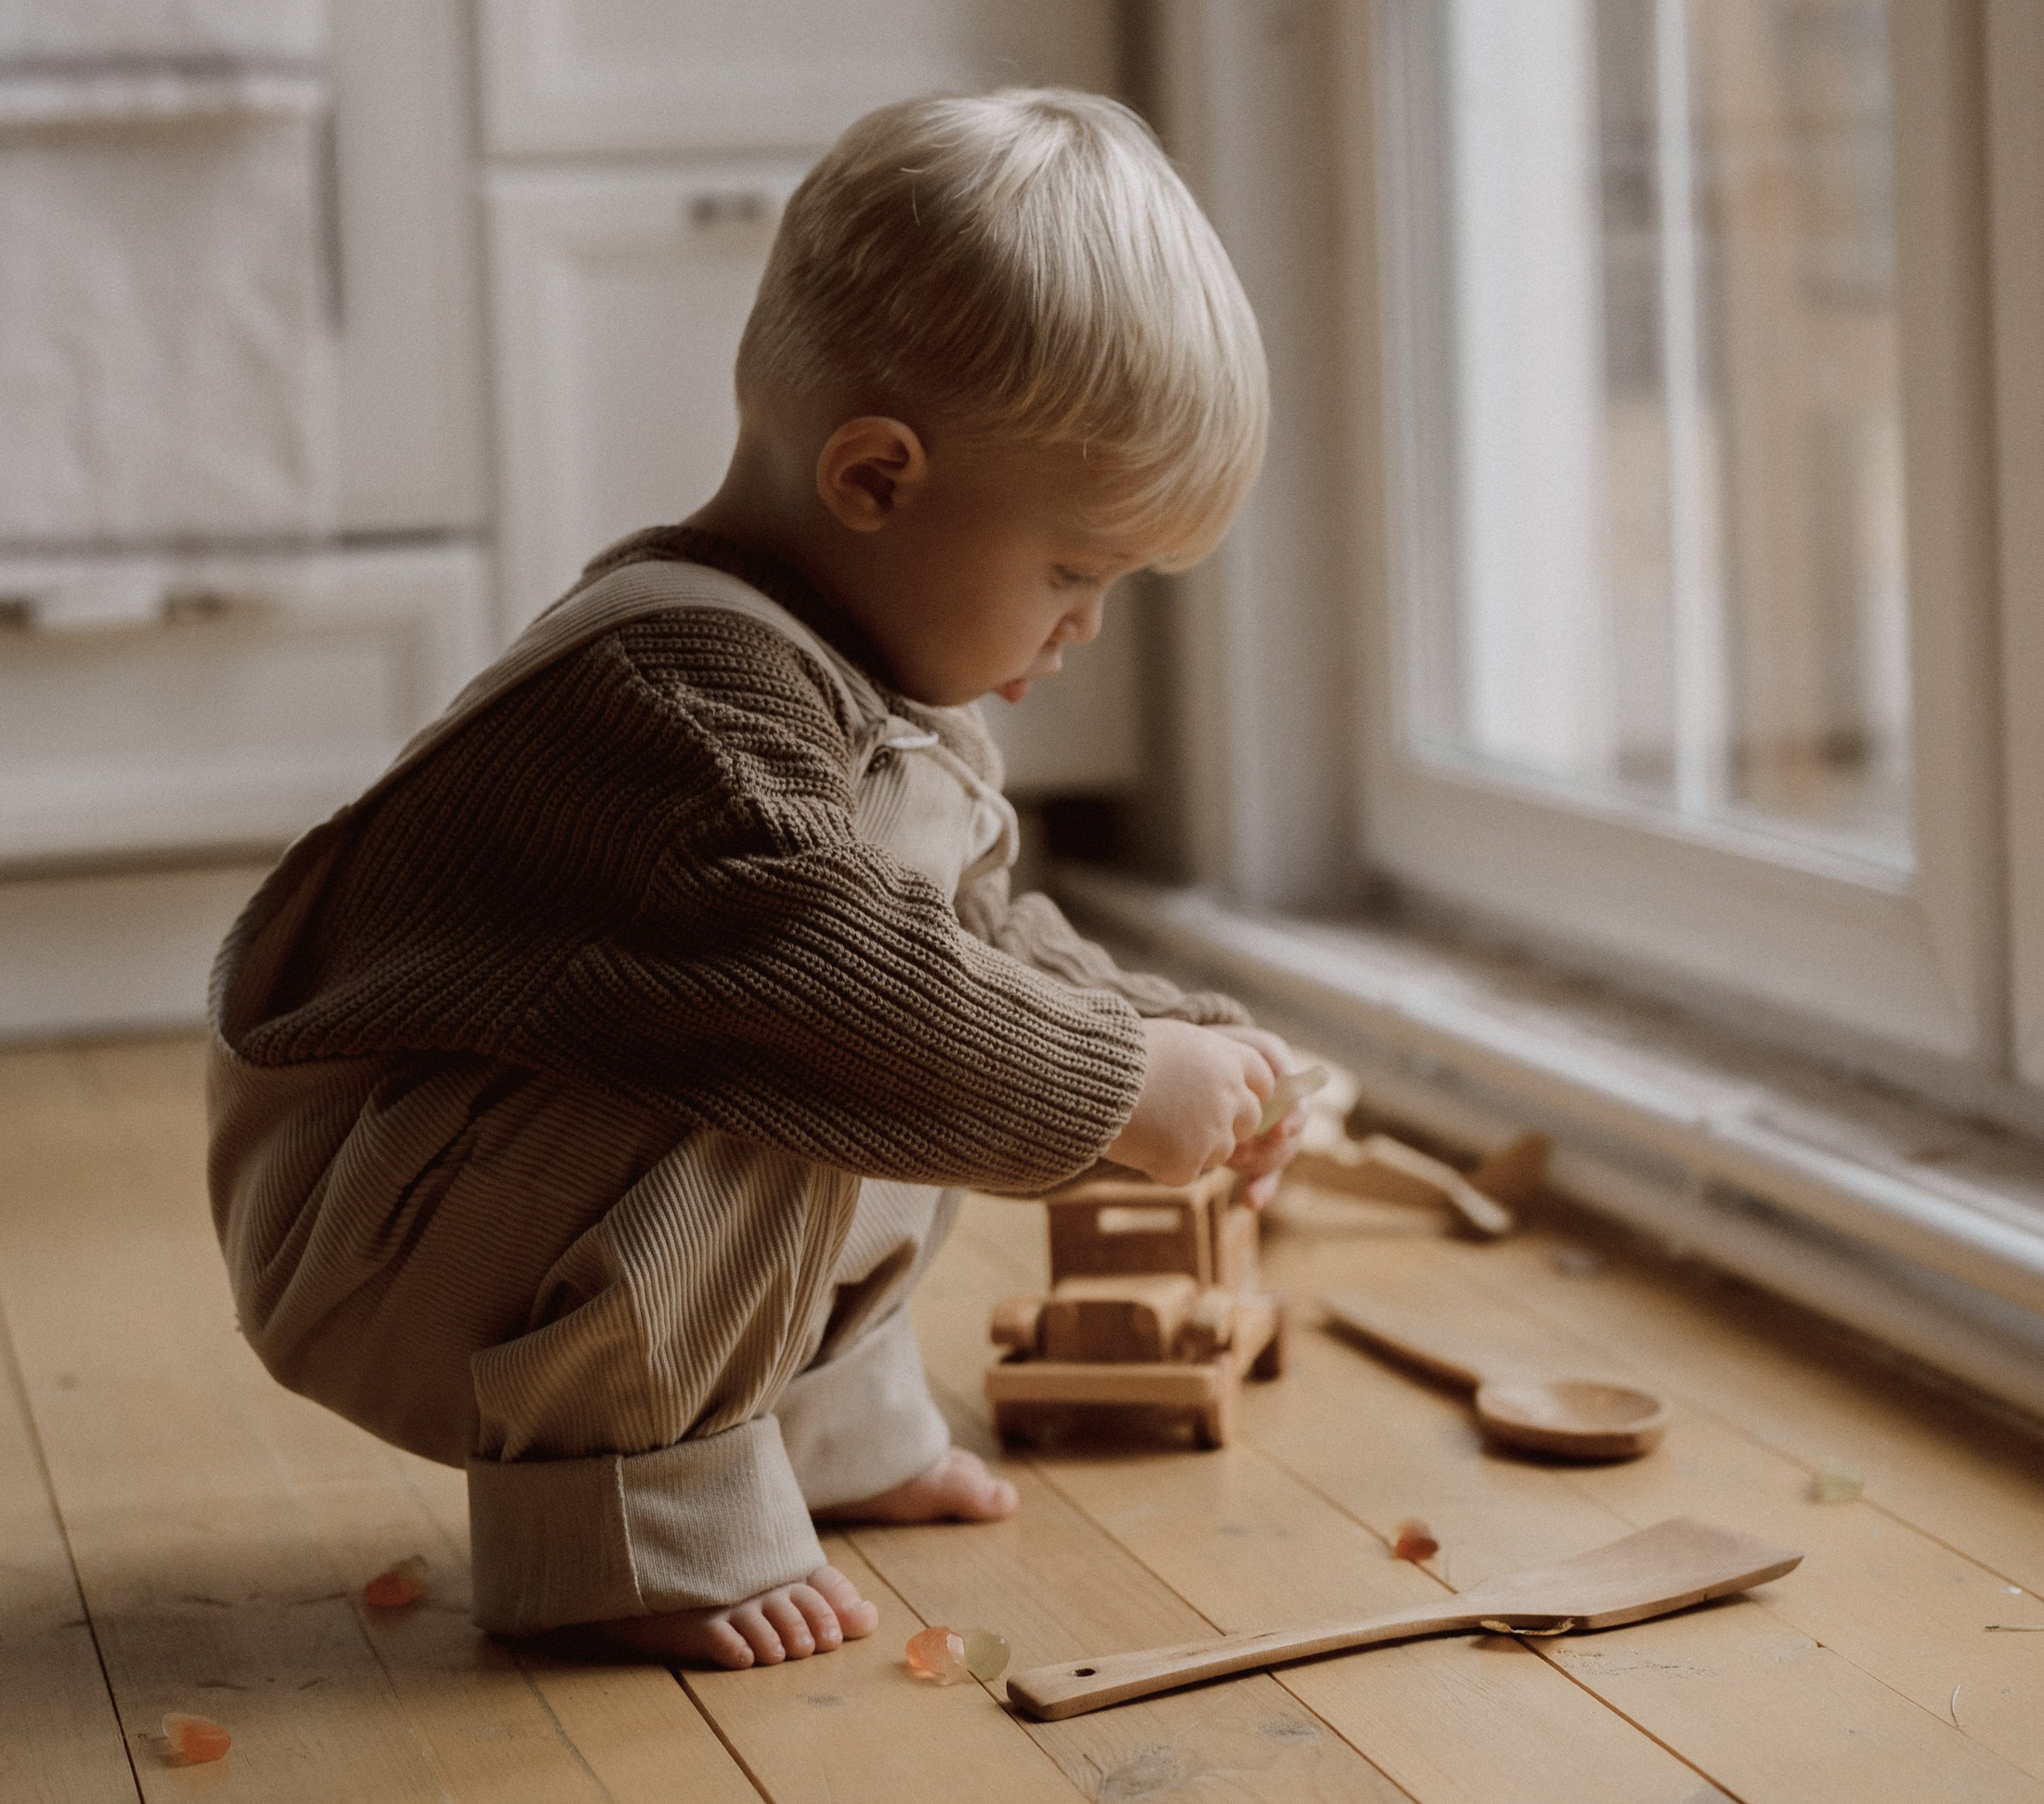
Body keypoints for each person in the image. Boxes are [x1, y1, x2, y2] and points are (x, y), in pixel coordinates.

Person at [208, 90, 1303, 1668]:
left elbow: (979, 941)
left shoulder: (845, 682)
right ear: (873, 480)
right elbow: (853, 983)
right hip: (371, 1227)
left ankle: (827, 1439)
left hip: (491, 1173)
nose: (1084, 630)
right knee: (841, 1028)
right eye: (1072, 571)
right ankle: (623, 1535)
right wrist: (1120, 1081)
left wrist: (1178, 1039)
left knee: (914, 1012)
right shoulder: (675, 707)